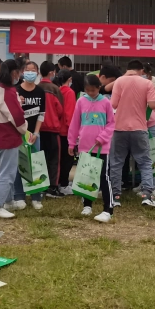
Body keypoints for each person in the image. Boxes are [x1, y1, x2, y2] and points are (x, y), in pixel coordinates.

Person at [110, 60, 155, 208]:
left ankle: (116, 197)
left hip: (119, 128)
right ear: (141, 70)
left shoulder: (119, 81)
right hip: (139, 128)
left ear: (128, 69)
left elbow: (113, 104)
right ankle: (147, 196)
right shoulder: (147, 83)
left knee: (117, 163)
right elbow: (152, 104)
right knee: (145, 163)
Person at [67, 74, 116, 222]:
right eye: (87, 90)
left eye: (93, 90)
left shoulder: (106, 102)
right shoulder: (81, 101)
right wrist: (71, 143)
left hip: (101, 147)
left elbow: (111, 123)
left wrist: (103, 137)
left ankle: (108, 208)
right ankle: (87, 205)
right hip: (85, 147)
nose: (90, 93)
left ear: (99, 88)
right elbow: (75, 123)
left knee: (103, 177)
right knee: (86, 176)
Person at [0, 59, 29, 219]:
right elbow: (17, 117)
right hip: (7, 137)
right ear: (14, 72)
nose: (21, 75)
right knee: (7, 173)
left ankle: (8, 200)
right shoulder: (9, 92)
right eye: (20, 72)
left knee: (5, 169)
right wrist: (24, 129)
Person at [15, 61, 47, 211]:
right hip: (19, 134)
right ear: (22, 72)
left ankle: (36, 197)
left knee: (35, 165)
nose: (30, 73)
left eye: (33, 70)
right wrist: (18, 103)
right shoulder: (16, 90)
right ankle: (19, 196)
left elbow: (41, 114)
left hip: (34, 135)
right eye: (27, 70)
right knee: (19, 165)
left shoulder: (40, 92)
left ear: (37, 73)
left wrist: (36, 133)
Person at [38, 61, 69, 198]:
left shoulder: (36, 88)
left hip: (37, 130)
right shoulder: (55, 89)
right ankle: (53, 187)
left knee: (39, 158)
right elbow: (60, 110)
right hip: (52, 129)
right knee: (54, 159)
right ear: (52, 73)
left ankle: (40, 186)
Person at [54, 69, 78, 194]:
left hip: (57, 130)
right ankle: (63, 184)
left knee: (59, 159)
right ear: (70, 79)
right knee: (67, 159)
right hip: (67, 131)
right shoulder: (69, 92)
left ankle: (58, 182)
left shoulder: (57, 91)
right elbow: (70, 114)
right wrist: (74, 133)